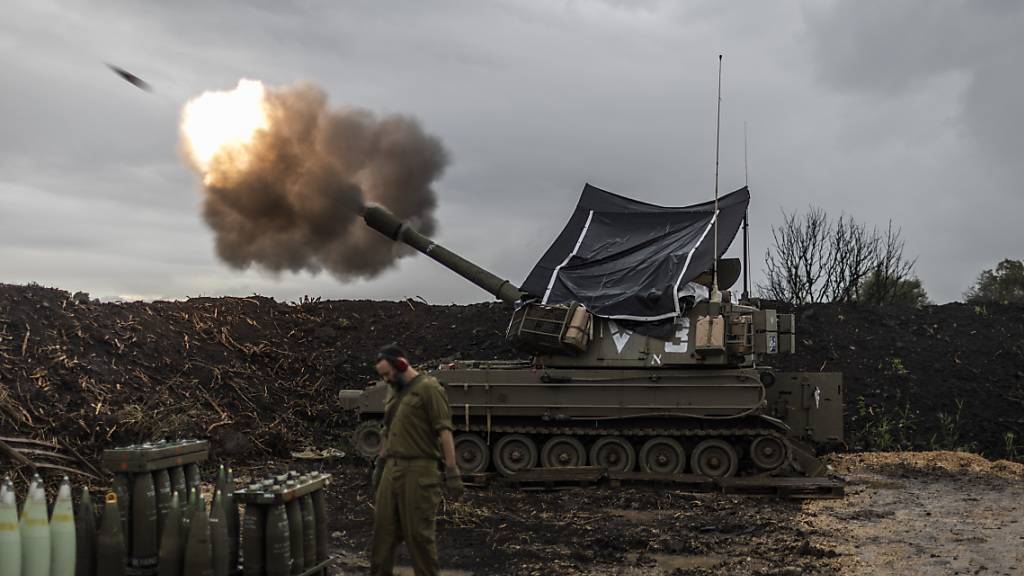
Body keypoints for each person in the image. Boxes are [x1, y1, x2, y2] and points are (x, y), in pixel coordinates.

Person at [370, 343, 465, 576]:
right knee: (382, 534)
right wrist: (380, 464)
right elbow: (387, 429)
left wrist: (452, 471)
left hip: (420, 470)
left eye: (387, 374)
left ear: (401, 365)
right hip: (392, 468)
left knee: (418, 537)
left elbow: (444, 431)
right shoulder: (394, 390)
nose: (386, 380)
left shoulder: (429, 389)